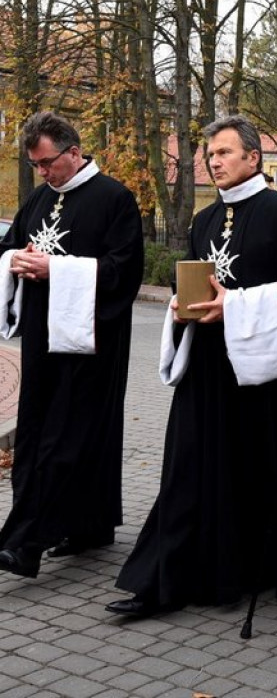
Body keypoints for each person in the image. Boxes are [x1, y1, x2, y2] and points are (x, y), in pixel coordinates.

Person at [107, 115, 277, 616]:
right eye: (210, 155)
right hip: (206, 369)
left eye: (224, 153)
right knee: (189, 470)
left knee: (255, 472)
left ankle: (254, 571)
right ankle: (165, 579)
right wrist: (183, 308)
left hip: (259, 377)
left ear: (253, 158)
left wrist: (238, 306)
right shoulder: (204, 221)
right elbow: (193, 281)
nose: (214, 161)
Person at [0, 112, 143, 579]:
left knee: (67, 441)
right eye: (36, 165)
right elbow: (10, 246)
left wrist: (56, 270)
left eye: (47, 163)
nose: (42, 173)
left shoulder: (115, 199)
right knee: (38, 434)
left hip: (92, 343)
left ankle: (25, 543)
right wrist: (13, 260)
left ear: (74, 152)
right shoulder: (39, 200)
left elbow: (125, 271)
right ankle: (89, 526)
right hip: (44, 342)